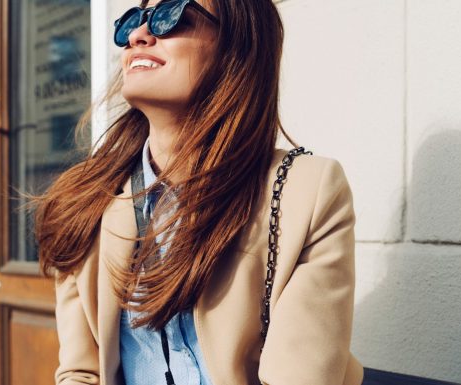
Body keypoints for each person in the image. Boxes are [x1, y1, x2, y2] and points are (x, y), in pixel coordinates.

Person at [34, 0, 364, 384]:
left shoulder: (306, 192)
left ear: (236, 48)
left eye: (170, 15)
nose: (139, 35)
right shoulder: (84, 202)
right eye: (132, 22)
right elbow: (80, 373)